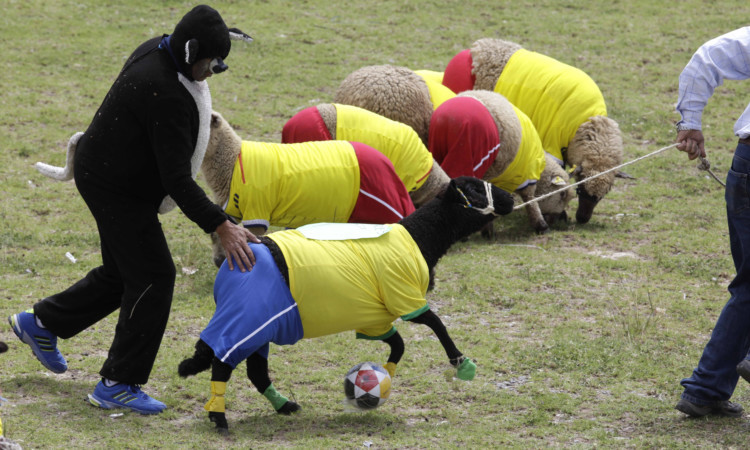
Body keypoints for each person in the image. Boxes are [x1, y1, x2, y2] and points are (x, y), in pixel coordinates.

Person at [8, 5, 257, 415]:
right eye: (211, 62)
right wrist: (220, 224)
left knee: (125, 270)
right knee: (154, 275)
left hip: (112, 170)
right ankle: (119, 382)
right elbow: (177, 179)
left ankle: (42, 324)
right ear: (191, 51)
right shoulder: (166, 93)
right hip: (114, 186)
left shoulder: (160, 51)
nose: (213, 71)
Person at [674, 26, 750, 418]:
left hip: (746, 165)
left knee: (749, 285)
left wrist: (689, 118)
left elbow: (708, 56)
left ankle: (705, 390)